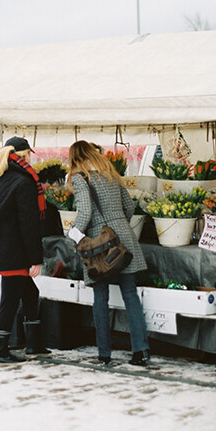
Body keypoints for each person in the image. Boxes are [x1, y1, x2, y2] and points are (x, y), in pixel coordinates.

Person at [67, 140, 150, 366]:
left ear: (74, 158)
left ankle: (104, 354)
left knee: (100, 298)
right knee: (130, 295)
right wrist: (117, 223)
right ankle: (140, 351)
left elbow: (85, 213)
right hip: (123, 238)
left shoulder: (80, 177)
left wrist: (72, 234)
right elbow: (129, 207)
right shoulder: (111, 173)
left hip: (99, 245)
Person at [0, 137, 51, 363]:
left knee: (30, 292)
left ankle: (33, 344)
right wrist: (35, 259)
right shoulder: (23, 182)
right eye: (29, 154)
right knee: (9, 300)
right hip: (14, 250)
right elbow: (29, 224)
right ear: (24, 155)